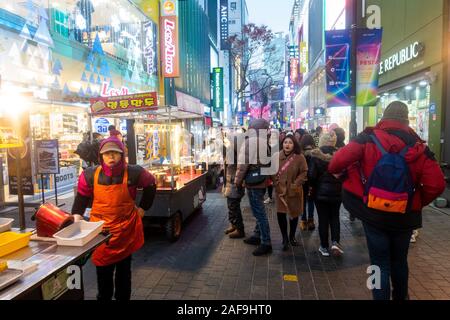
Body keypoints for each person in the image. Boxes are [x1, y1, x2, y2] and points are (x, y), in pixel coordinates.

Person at [329, 101, 446, 300]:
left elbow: (335, 164)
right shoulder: (419, 148)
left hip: (374, 214)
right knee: (399, 261)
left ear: (384, 117)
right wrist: (415, 201)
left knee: (378, 263)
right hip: (405, 216)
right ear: (406, 120)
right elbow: (437, 185)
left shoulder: (367, 139)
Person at [71, 136, 157, 301]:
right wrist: (77, 216)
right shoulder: (90, 175)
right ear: (101, 156)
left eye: (115, 153)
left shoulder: (134, 172)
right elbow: (82, 196)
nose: (111, 157)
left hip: (125, 230)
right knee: (103, 272)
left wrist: (143, 209)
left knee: (124, 272)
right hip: (101, 233)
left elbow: (150, 185)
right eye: (107, 153)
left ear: (122, 154)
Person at [235, 119, 273, 256]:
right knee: (259, 211)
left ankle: (266, 242)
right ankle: (258, 236)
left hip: (253, 182)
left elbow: (242, 165)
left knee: (259, 213)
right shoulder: (265, 141)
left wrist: (237, 181)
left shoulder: (251, 141)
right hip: (261, 180)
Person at [308, 132, 343, 257]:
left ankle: (324, 246)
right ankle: (335, 242)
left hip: (320, 193)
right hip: (337, 192)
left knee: (323, 219)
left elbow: (311, 175)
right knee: (335, 217)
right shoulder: (340, 155)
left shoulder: (316, 155)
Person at [272, 134, 308, 251]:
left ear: (294, 144)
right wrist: (276, 183)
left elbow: (304, 172)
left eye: (290, 143)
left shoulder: (299, 157)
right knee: (281, 213)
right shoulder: (276, 156)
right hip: (280, 191)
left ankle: (292, 236)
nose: (287, 145)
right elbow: (272, 172)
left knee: (294, 214)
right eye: (285, 142)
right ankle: (284, 238)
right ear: (282, 144)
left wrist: (296, 183)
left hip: (294, 190)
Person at [223, 132, 246, 239]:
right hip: (230, 183)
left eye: (229, 141)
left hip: (234, 183)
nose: (227, 142)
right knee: (231, 206)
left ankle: (239, 229)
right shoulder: (231, 152)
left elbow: (238, 170)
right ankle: (233, 225)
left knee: (234, 206)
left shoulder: (239, 154)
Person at [299, 134, 317, 231]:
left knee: (302, 200)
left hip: (303, 181)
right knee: (311, 200)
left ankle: (303, 221)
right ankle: (311, 221)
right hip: (312, 181)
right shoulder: (316, 152)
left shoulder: (300, 153)